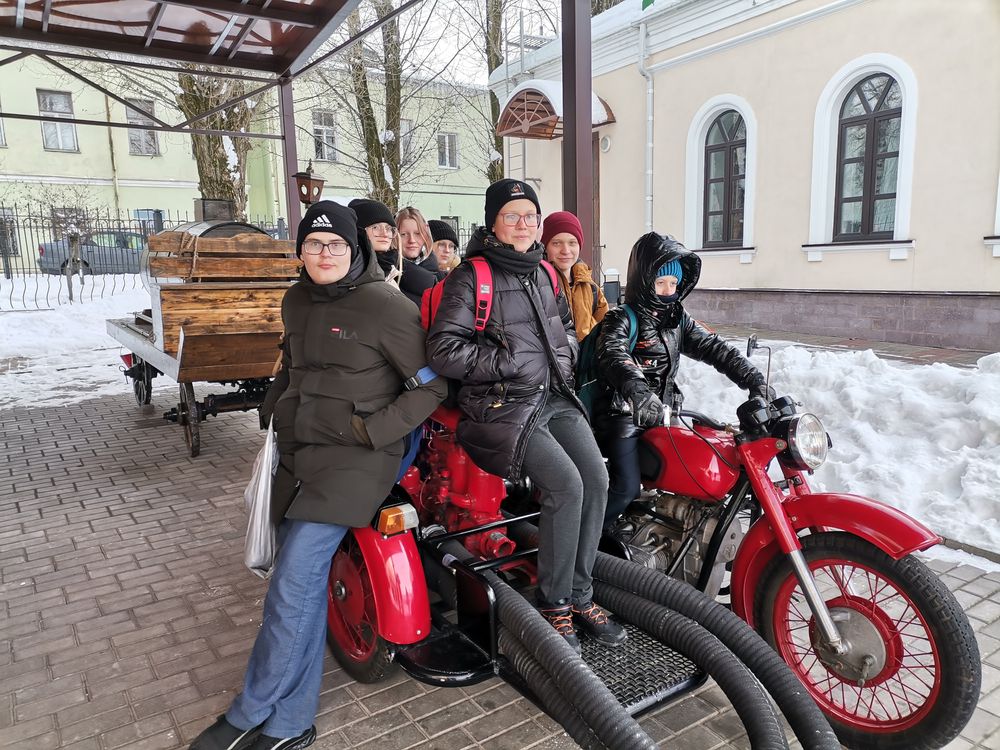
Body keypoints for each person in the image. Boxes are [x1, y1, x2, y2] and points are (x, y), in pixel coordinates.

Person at [191, 201, 446, 750]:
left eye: (336, 245)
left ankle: (249, 711)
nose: (325, 254)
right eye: (313, 244)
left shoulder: (386, 306)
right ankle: (290, 723)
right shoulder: (296, 300)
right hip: (300, 450)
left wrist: (371, 431)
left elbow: (431, 385)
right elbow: (293, 367)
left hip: (356, 457)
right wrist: (275, 412)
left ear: (355, 249)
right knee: (299, 585)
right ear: (300, 251)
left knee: (292, 585)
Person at [426, 179, 625, 653]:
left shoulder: (545, 273)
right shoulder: (472, 276)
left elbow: (564, 328)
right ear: (493, 222)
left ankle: (580, 594)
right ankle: (554, 604)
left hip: (552, 396)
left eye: (530, 216)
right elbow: (443, 350)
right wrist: (506, 362)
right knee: (566, 486)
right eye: (511, 215)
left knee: (597, 479)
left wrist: (566, 357)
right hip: (501, 405)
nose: (523, 224)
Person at [594, 233, 771, 530]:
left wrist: (753, 379)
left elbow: (714, 348)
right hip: (624, 416)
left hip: (663, 415)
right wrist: (639, 393)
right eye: (660, 282)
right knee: (626, 488)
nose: (668, 291)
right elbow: (614, 355)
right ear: (644, 281)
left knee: (688, 474)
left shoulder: (677, 320)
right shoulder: (621, 318)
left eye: (673, 283)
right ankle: (588, 541)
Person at [348, 198, 438, 307]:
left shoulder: (391, 271)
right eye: (375, 227)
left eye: (388, 228)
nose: (384, 233)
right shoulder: (353, 270)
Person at [541, 210, 609, 341]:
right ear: (545, 247)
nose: (565, 250)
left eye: (572, 243)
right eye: (556, 243)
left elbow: (607, 329)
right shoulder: (538, 284)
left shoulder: (590, 287)